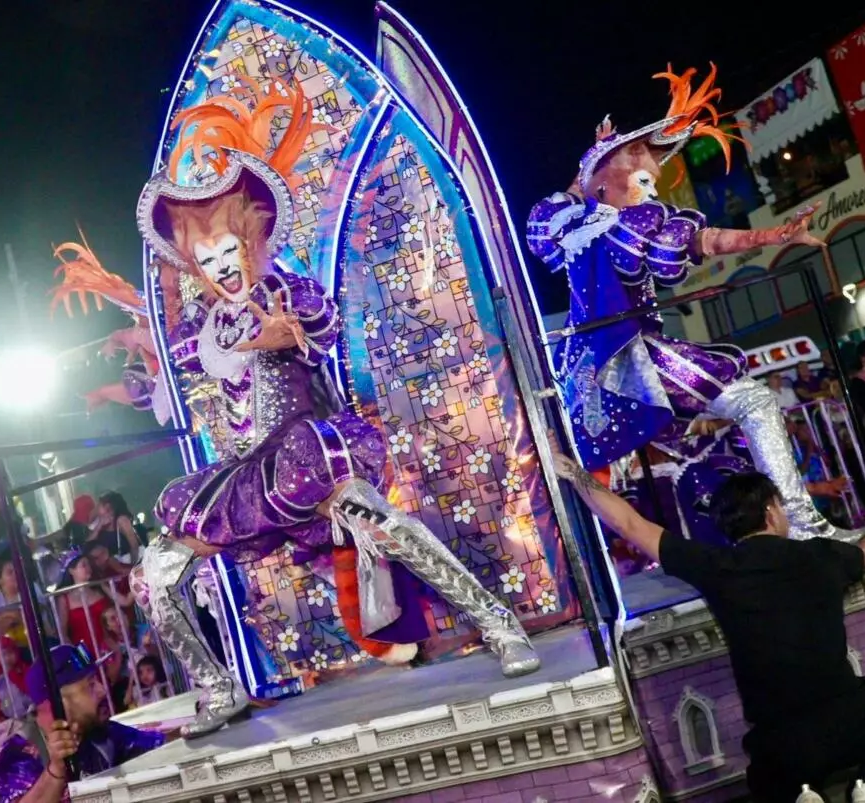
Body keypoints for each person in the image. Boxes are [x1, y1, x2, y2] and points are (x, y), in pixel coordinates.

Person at [52, 77, 536, 736]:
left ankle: (499, 623)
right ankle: (218, 688)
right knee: (158, 569)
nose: (222, 266)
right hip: (246, 476)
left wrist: (284, 334)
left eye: (229, 251)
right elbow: (173, 354)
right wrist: (153, 298)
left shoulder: (283, 289)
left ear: (250, 244)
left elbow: (316, 324)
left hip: (309, 456)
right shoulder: (208, 324)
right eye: (206, 259)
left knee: (383, 522)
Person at [524, 65, 849, 541]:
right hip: (633, 356)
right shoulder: (614, 224)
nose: (652, 183)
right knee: (755, 401)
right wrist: (771, 236)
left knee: (693, 445)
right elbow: (702, 239)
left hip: (597, 365)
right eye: (640, 171)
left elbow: (695, 237)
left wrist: (775, 235)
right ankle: (801, 526)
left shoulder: (577, 226)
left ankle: (764, 535)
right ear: (606, 179)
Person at [550, 437, 865, 803]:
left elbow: (630, 525)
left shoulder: (716, 568)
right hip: (849, 721)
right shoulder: (819, 554)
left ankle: (803, 792)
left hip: (783, 745)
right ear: (770, 512)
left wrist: (574, 473)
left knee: (770, 765)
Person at [0, 644, 165, 801]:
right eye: (90, 685)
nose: (103, 690)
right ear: (57, 702)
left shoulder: (100, 734)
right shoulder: (15, 759)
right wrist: (56, 770)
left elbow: (162, 745)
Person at [93, 492, 142, 564]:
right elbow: (89, 543)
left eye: (99, 505)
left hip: (127, 564)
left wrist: (133, 566)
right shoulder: (99, 522)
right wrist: (99, 526)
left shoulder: (121, 520)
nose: (96, 507)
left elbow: (134, 545)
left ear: (107, 507)